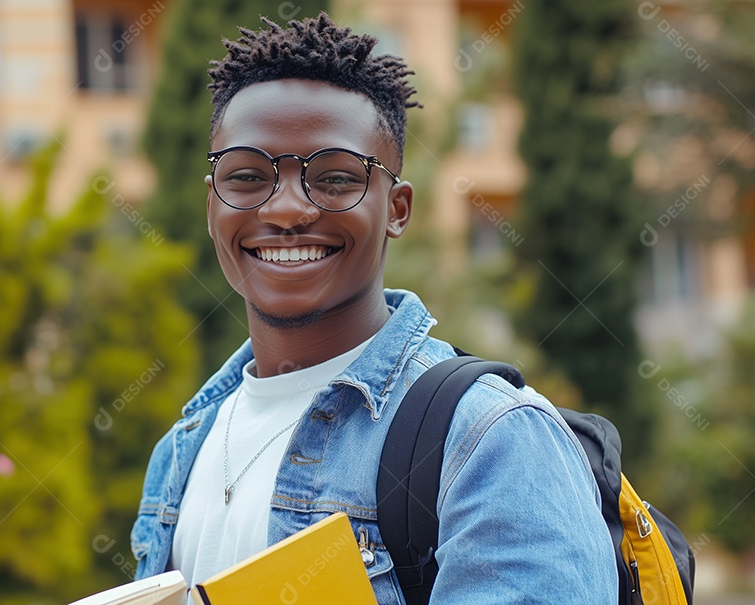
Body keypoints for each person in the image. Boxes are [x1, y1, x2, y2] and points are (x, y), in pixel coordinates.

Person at [130, 12, 616, 603]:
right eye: (248, 176)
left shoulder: (489, 440)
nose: (285, 210)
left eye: (334, 179)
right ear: (213, 207)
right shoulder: (184, 446)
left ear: (398, 209)